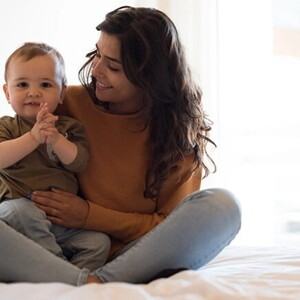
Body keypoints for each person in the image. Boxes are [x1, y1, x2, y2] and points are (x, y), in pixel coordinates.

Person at [0, 6, 241, 285]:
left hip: (131, 256)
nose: (96, 70)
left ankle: (91, 281)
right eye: (97, 55)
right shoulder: (65, 104)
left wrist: (88, 216)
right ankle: (83, 283)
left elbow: (165, 225)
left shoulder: (179, 140)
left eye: (113, 66)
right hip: (47, 241)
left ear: (148, 77)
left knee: (223, 206)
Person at [0, 42, 110, 271]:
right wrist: (32, 138)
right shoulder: (6, 127)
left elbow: (79, 162)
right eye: (22, 84)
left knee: (99, 243)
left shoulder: (69, 127)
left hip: (58, 222)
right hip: (15, 210)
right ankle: (62, 275)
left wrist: (57, 140)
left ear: (61, 93)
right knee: (23, 212)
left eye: (45, 84)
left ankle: (64, 280)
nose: (34, 92)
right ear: (7, 93)